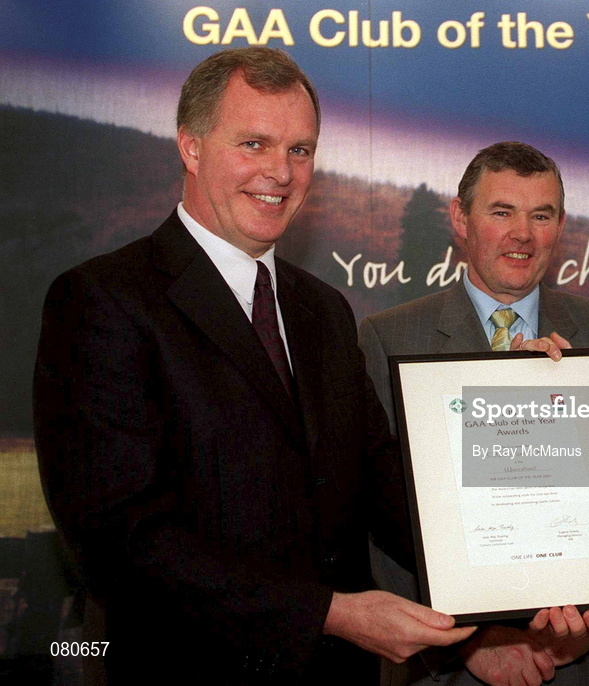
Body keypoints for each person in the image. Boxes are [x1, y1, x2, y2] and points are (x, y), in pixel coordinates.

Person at [33, 47, 473, 685]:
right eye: (254, 143)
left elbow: (385, 482)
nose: (281, 171)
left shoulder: (323, 310)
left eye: (300, 150)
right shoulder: (105, 300)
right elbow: (118, 541)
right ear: (190, 146)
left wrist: (516, 583)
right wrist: (329, 613)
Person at [358, 141, 589, 685]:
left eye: (540, 215)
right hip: (450, 671)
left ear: (560, 225)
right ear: (460, 217)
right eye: (502, 212)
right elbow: (379, 523)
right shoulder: (386, 340)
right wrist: (472, 641)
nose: (522, 233)